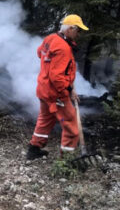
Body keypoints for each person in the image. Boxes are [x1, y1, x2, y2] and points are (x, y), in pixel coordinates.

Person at [26, 14, 89, 160]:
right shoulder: (63, 48)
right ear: (70, 29)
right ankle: (67, 160)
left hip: (43, 90)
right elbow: (57, 77)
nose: (79, 34)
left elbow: (39, 52)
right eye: (78, 30)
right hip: (56, 94)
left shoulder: (51, 38)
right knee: (71, 123)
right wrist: (68, 90)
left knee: (45, 119)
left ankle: (34, 149)